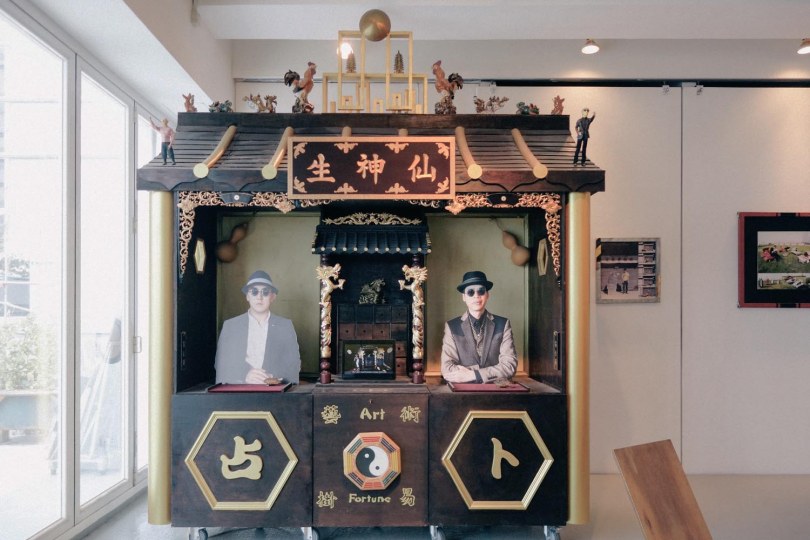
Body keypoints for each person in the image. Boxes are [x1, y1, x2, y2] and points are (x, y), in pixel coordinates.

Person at [214, 270, 301, 384]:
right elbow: (220, 364)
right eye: (254, 291)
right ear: (247, 296)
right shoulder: (231, 326)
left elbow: (294, 365)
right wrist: (245, 375)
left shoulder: (285, 326)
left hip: (273, 390)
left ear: (272, 297)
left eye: (265, 292)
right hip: (239, 389)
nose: (259, 297)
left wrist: (272, 377)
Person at [440, 271, 517, 384]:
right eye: (470, 292)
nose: (476, 296)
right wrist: (488, 372)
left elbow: (509, 366)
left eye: (481, 291)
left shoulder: (503, 324)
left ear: (487, 295)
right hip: (464, 391)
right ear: (464, 297)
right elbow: (447, 369)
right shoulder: (452, 326)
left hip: (496, 389)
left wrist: (474, 374)